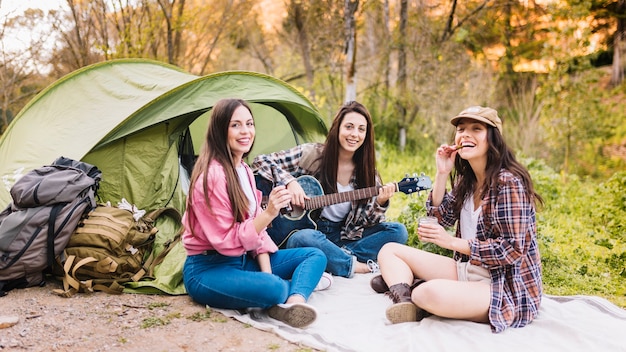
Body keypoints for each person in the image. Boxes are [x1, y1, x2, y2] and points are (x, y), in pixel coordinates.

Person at [375, 106, 543, 333]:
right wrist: (442, 173)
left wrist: (451, 243)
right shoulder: (467, 180)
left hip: (501, 284)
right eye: (461, 129)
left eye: (476, 129)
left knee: (427, 293)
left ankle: (408, 287)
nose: (465, 134)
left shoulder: (509, 183)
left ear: (493, 138)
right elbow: (439, 217)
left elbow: (512, 250)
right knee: (389, 250)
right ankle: (405, 301)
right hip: (466, 269)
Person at [181, 98, 328, 329]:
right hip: (208, 268)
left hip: (244, 260)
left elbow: (257, 236)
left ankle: (294, 301)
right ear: (221, 131)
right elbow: (226, 242)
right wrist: (268, 214)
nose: (245, 131)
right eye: (236, 125)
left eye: (249, 124)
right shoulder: (212, 177)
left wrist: (267, 272)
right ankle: (286, 289)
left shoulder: (245, 171)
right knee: (274, 287)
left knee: (315, 256)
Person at [251, 101, 408, 278]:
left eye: (361, 129)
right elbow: (261, 161)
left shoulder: (368, 174)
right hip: (309, 233)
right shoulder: (311, 154)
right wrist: (290, 182)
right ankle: (352, 265)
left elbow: (367, 224)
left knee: (398, 231)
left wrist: (380, 202)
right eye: (349, 127)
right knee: (302, 239)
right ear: (337, 128)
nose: (354, 134)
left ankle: (335, 256)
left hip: (344, 237)